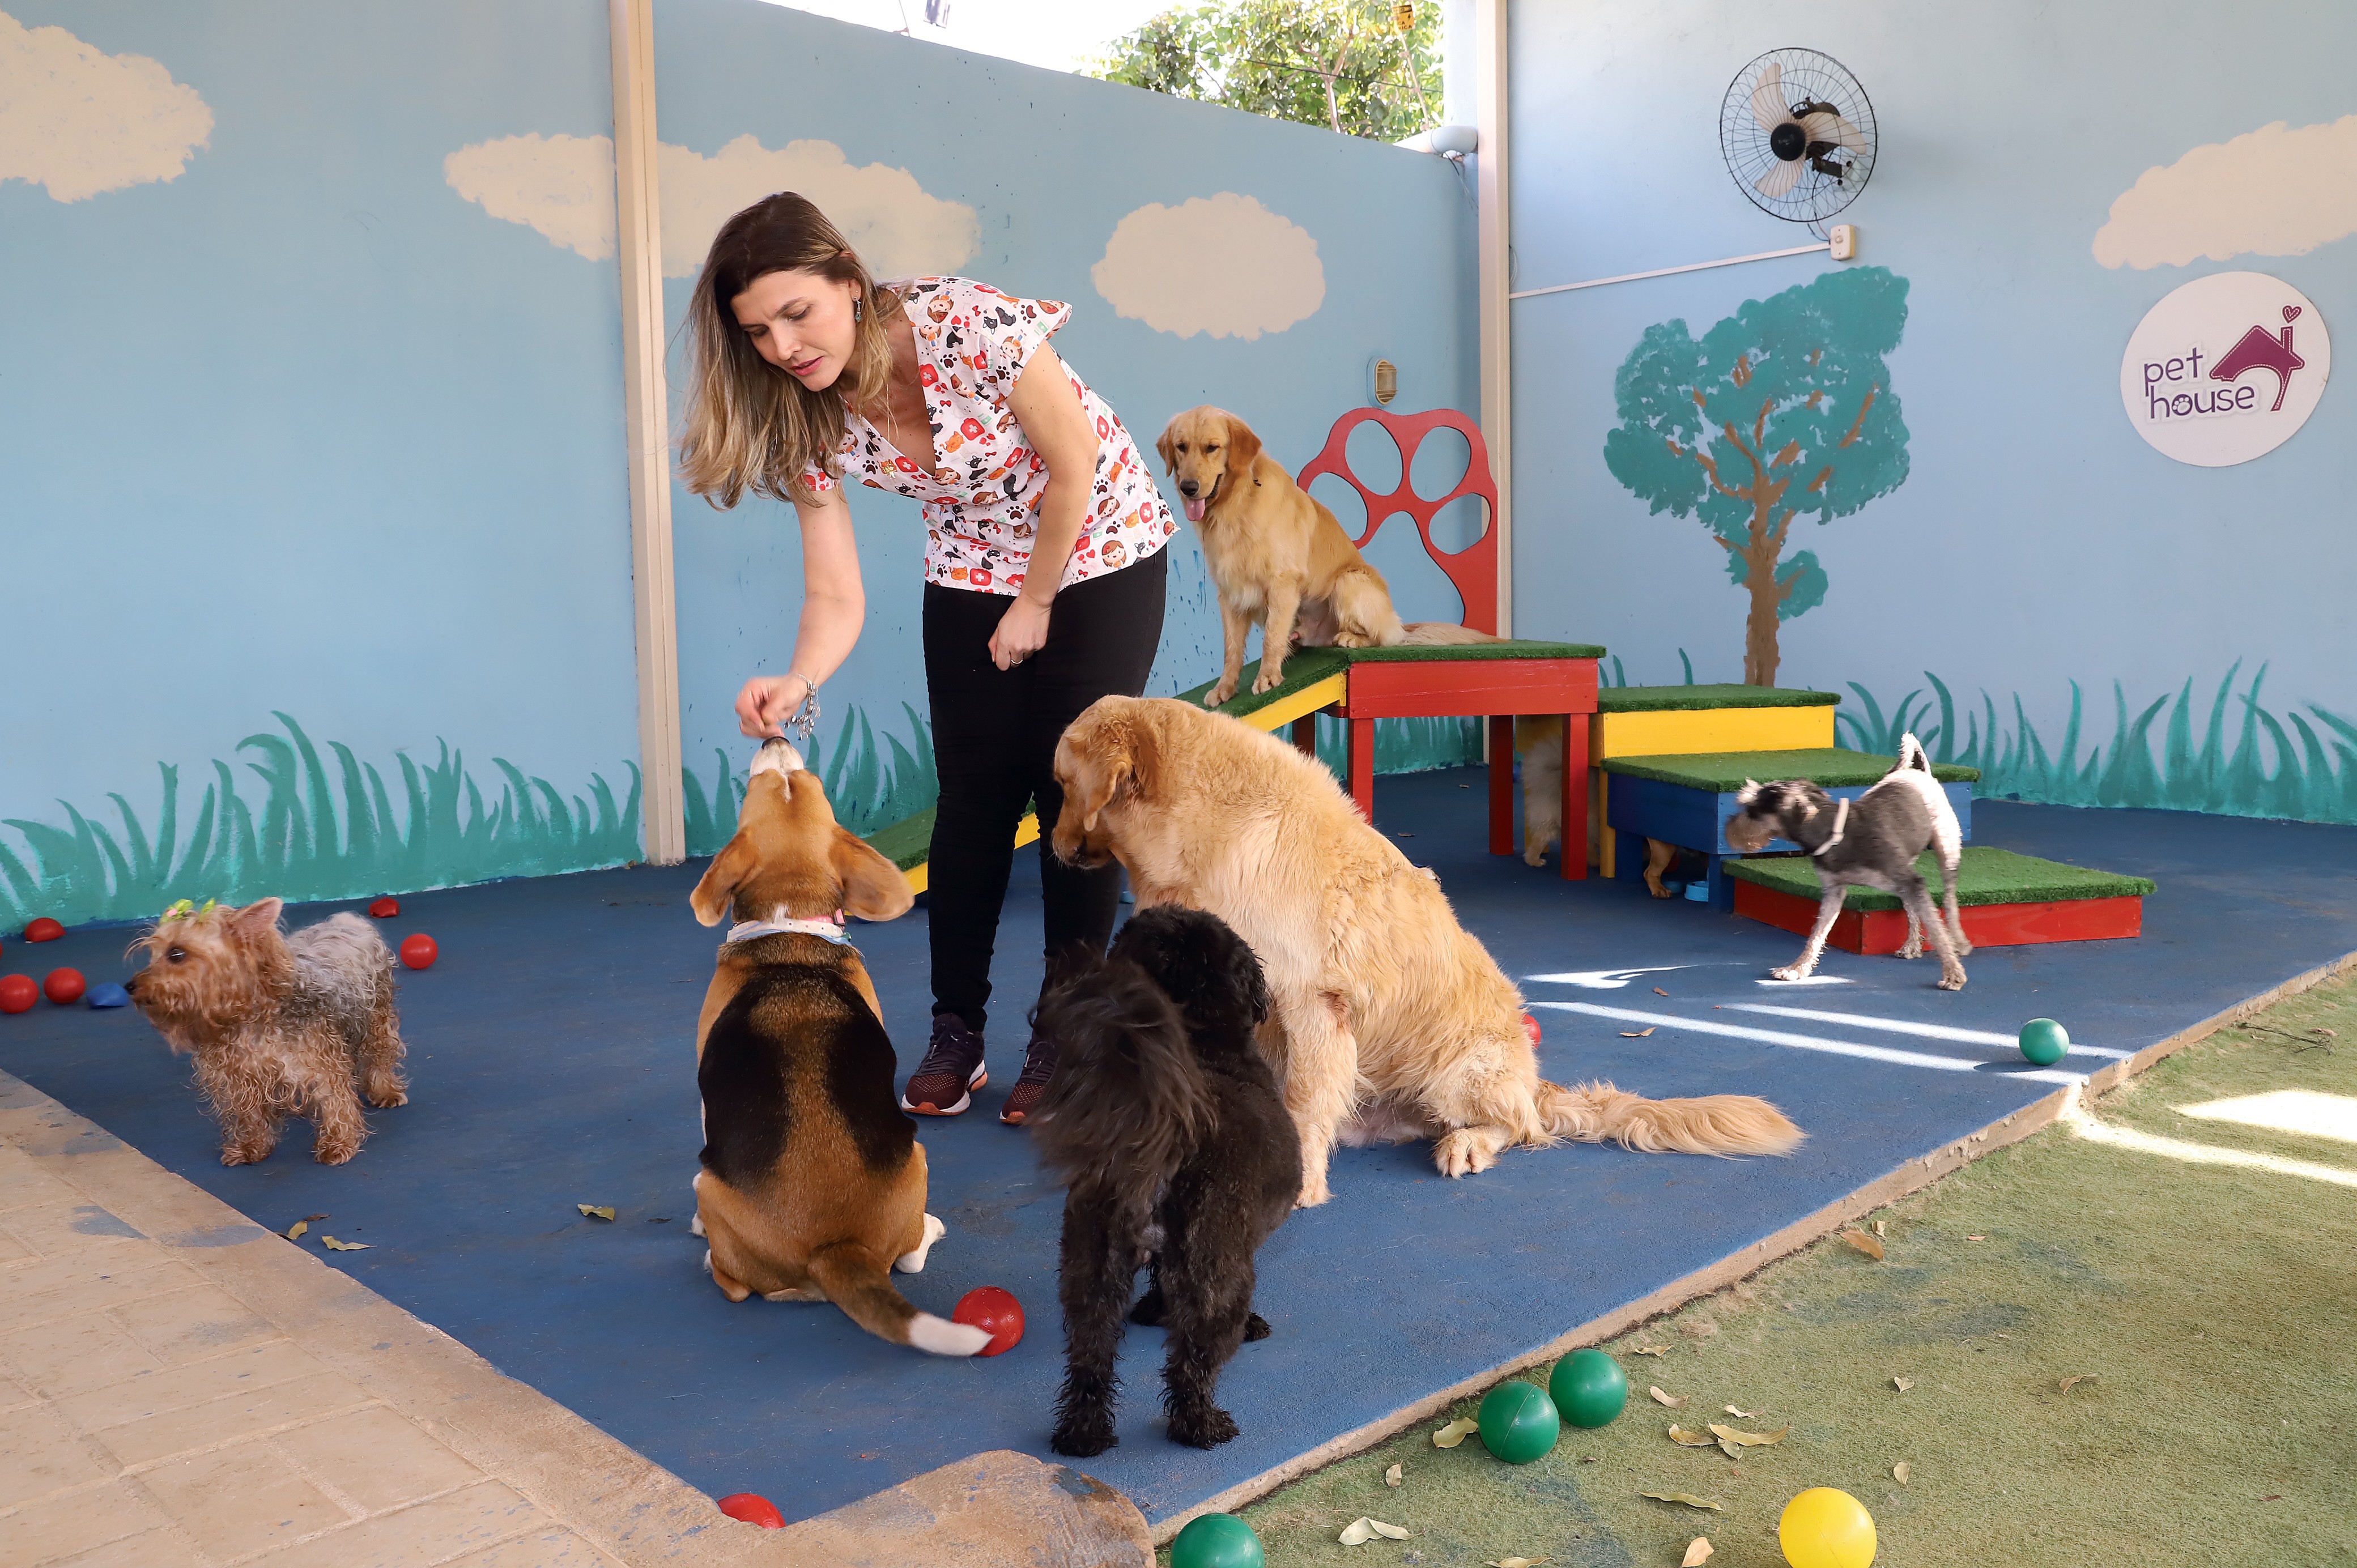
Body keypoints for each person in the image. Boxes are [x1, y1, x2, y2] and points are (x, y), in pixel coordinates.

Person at [677, 193, 1174, 1126]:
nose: (784, 347)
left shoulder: (966, 324)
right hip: (974, 560)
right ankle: (958, 1032)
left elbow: (1073, 462)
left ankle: (1067, 1036)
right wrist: (800, 679)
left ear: (851, 286)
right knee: (975, 798)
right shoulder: (806, 415)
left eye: (798, 313)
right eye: (757, 331)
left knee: (1075, 795)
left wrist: (1035, 602)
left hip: (1102, 542)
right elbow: (834, 593)